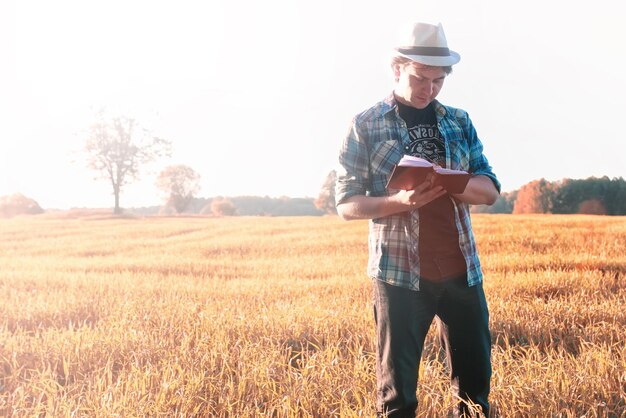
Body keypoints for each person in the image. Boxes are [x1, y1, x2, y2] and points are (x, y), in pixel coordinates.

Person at [335, 22, 500, 417]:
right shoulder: (365, 124)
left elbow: (490, 190)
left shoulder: (459, 121)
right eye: (420, 78)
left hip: (462, 271)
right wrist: (401, 201)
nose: (429, 89)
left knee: (474, 394)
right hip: (399, 276)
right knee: (398, 399)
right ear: (397, 68)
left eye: (438, 80)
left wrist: (453, 182)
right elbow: (346, 204)